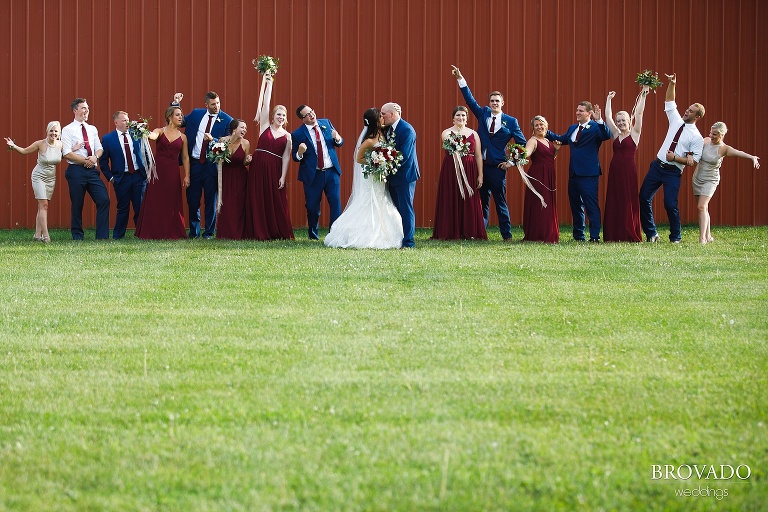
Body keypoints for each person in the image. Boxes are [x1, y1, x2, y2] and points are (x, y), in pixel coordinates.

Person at [452, 65, 526, 242]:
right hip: (481, 166)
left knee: (501, 202)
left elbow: (522, 144)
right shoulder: (483, 113)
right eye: (492, 101)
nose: (494, 103)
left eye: (497, 101)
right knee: (481, 201)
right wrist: (460, 79)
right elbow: (470, 101)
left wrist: (511, 162)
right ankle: (481, 233)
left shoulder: (511, 121)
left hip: (498, 168)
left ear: (502, 103)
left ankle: (506, 235)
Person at [639, 73, 705, 243]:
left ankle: (675, 237)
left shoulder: (696, 137)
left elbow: (694, 161)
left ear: (697, 117)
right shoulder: (676, 120)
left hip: (673, 172)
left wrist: (676, 158)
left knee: (670, 204)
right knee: (644, 197)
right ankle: (651, 234)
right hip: (657, 166)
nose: (686, 111)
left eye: (691, 111)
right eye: (688, 108)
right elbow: (670, 102)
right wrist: (672, 83)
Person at [324, 108, 403, 249]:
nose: (383, 117)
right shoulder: (369, 140)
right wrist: (376, 161)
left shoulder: (383, 132)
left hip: (380, 177)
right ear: (375, 120)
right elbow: (358, 158)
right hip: (372, 176)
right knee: (368, 202)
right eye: (380, 116)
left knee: (382, 199)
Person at [5, 122, 82, 242]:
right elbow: (25, 151)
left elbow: (59, 157)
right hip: (39, 176)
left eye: (56, 131)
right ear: (47, 131)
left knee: (42, 206)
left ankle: (37, 235)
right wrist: (13, 145)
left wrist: (73, 149)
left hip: (51, 178)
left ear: (59, 133)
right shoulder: (40, 144)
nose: (53, 133)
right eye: (51, 131)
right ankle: (46, 237)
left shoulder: (60, 145)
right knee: (44, 205)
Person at [546, 101, 611, 242]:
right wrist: (544, 130)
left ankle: (594, 237)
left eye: (581, 110)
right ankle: (578, 235)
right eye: (577, 110)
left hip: (589, 174)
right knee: (576, 206)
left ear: (589, 113)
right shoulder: (572, 128)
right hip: (574, 174)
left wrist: (599, 120)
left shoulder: (595, 127)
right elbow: (561, 139)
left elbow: (607, 135)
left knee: (591, 206)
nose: (578, 112)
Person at [172, 91, 233, 239]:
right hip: (194, 164)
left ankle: (209, 232)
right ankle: (194, 231)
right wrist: (175, 104)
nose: (216, 106)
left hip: (212, 164)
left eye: (218, 103)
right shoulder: (196, 114)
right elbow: (180, 122)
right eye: (213, 104)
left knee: (211, 199)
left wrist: (213, 140)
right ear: (206, 104)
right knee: (192, 198)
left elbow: (229, 142)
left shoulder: (227, 120)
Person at [692, 122, 760, 244]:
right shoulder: (706, 141)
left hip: (711, 180)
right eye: (711, 133)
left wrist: (752, 157)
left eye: (715, 134)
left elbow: (739, 152)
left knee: (701, 206)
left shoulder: (724, 149)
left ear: (722, 135)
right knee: (703, 208)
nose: (711, 136)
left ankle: (702, 239)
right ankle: (708, 236)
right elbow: (693, 148)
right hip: (697, 178)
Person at [245, 72, 294, 240]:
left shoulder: (288, 136)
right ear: (272, 116)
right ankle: (257, 230)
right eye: (278, 114)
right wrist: (269, 82)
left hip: (274, 168)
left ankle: (274, 230)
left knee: (274, 200)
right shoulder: (264, 126)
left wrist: (282, 176)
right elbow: (265, 105)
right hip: (258, 166)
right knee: (257, 197)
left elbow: (286, 157)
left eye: (283, 115)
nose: (281, 117)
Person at [134, 106, 190, 239]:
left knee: (171, 201)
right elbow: (152, 136)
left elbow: (185, 157)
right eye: (178, 115)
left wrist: (187, 176)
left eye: (181, 115)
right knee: (156, 200)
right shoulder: (159, 131)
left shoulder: (183, 137)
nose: (181, 117)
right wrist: (142, 130)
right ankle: (153, 230)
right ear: (169, 117)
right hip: (157, 171)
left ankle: (171, 231)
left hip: (172, 172)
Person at [602, 86, 649, 242]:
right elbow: (607, 117)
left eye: (623, 120)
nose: (621, 123)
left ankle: (629, 231)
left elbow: (640, 113)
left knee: (628, 198)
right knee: (615, 199)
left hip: (629, 171)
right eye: (619, 121)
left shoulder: (635, 134)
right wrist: (609, 99)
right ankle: (614, 233)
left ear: (629, 121)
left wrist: (643, 94)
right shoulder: (615, 134)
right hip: (615, 170)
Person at [431, 105, 486, 240]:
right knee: (451, 197)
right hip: (452, 169)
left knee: (469, 198)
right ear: (453, 118)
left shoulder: (474, 134)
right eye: (458, 115)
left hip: (470, 169)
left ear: (467, 118)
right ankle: (449, 231)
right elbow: (447, 142)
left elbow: (478, 155)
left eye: (463, 116)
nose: (460, 118)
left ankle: (470, 231)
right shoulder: (447, 132)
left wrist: (480, 174)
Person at [61, 98, 111, 240]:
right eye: (83, 108)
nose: (86, 110)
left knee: (104, 200)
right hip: (76, 170)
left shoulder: (92, 129)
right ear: (75, 111)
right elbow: (67, 153)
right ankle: (77, 235)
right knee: (77, 203)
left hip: (92, 171)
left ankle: (102, 237)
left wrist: (95, 158)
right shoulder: (67, 129)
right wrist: (85, 161)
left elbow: (99, 148)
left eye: (87, 108)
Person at [292, 104, 343, 240]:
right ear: (302, 119)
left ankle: (334, 234)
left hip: (331, 171)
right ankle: (313, 235)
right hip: (313, 175)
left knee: (335, 203)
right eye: (307, 114)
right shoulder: (297, 134)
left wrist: (338, 138)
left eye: (312, 111)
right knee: (312, 207)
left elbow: (339, 142)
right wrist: (299, 152)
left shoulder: (326, 123)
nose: (311, 115)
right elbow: (295, 158)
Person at [98, 111, 147, 239]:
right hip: (121, 178)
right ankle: (118, 236)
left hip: (138, 176)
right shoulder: (108, 139)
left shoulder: (136, 134)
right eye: (124, 120)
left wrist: (146, 172)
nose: (128, 122)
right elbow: (103, 162)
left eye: (128, 119)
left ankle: (142, 233)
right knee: (123, 208)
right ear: (116, 122)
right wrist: (111, 178)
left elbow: (145, 152)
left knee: (140, 207)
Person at [381, 102, 420, 248]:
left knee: (405, 208)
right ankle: (398, 238)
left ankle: (409, 242)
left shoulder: (407, 130)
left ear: (392, 114)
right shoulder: (388, 129)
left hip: (405, 176)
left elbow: (404, 155)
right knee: (395, 208)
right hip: (392, 175)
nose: (382, 116)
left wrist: (386, 166)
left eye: (383, 113)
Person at [521, 116, 560, 243]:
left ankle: (548, 231)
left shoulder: (548, 141)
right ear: (533, 128)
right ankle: (538, 234)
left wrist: (556, 151)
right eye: (536, 125)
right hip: (538, 176)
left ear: (546, 126)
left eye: (541, 124)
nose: (539, 127)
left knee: (548, 203)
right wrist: (519, 154)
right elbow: (527, 153)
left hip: (549, 175)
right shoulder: (532, 140)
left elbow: (549, 158)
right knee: (540, 202)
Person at [215, 118, 251, 239]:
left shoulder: (246, 143)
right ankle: (226, 233)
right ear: (234, 129)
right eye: (242, 127)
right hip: (226, 177)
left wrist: (248, 160)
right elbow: (217, 159)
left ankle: (239, 233)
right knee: (226, 204)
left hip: (241, 177)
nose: (244, 130)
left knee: (239, 205)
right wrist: (218, 157)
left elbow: (245, 162)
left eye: (245, 128)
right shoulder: (222, 141)